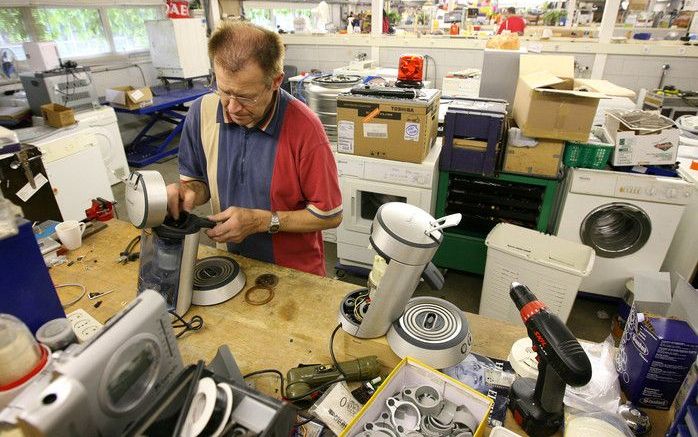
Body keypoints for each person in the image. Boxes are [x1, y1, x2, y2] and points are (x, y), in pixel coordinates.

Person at [166, 21, 342, 277]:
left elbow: (330, 215)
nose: (233, 108)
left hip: (294, 274)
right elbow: (199, 183)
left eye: (247, 97)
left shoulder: (306, 129)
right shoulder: (201, 113)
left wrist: (262, 221)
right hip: (228, 262)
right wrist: (187, 192)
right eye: (224, 91)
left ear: (275, 81)